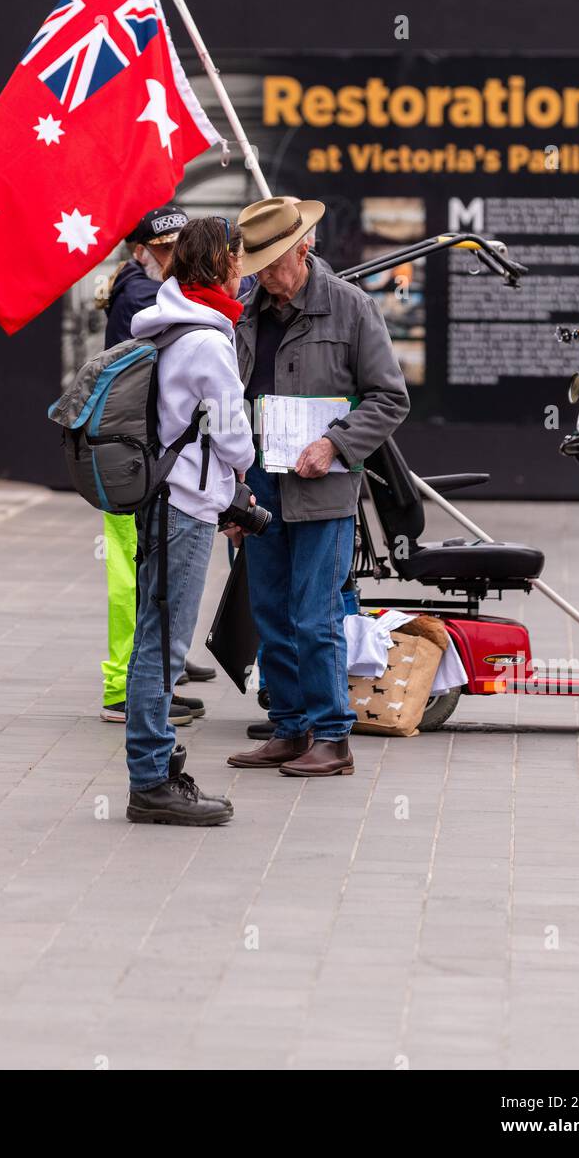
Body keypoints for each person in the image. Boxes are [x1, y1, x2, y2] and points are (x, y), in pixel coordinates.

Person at [226, 195, 410, 778]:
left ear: (304, 249)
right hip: (259, 484)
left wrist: (335, 443)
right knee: (270, 612)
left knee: (315, 614)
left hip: (324, 485)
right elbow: (230, 402)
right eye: (256, 263)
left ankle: (333, 737)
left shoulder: (352, 308)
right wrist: (229, 490)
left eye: (274, 261)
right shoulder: (244, 311)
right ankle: (290, 727)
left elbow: (390, 397)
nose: (264, 274)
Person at [125, 216, 254, 826]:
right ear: (218, 265)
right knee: (164, 644)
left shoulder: (172, 323)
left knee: (155, 633)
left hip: (162, 500)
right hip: (184, 505)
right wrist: (245, 470)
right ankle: (151, 780)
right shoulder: (207, 339)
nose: (242, 267)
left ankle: (157, 764)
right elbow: (234, 437)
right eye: (236, 257)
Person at [97, 204, 216, 728]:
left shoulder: (144, 290)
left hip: (142, 462)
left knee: (148, 574)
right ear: (139, 251)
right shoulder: (143, 296)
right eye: (163, 250)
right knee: (130, 576)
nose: (172, 261)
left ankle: (154, 667)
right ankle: (124, 685)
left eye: (179, 250)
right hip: (132, 463)